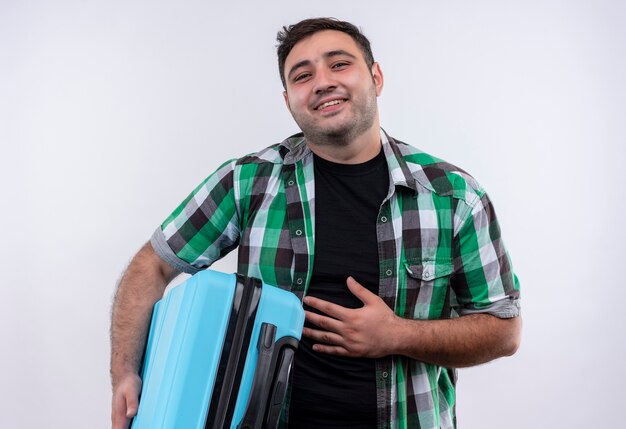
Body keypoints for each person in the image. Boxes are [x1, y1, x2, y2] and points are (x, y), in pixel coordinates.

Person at [110, 17, 521, 429]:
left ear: (376, 77)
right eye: (303, 75)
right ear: (289, 100)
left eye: (339, 64)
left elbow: (504, 330)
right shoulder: (249, 181)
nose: (322, 82)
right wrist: (124, 373)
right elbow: (154, 263)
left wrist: (397, 334)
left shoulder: (453, 196)